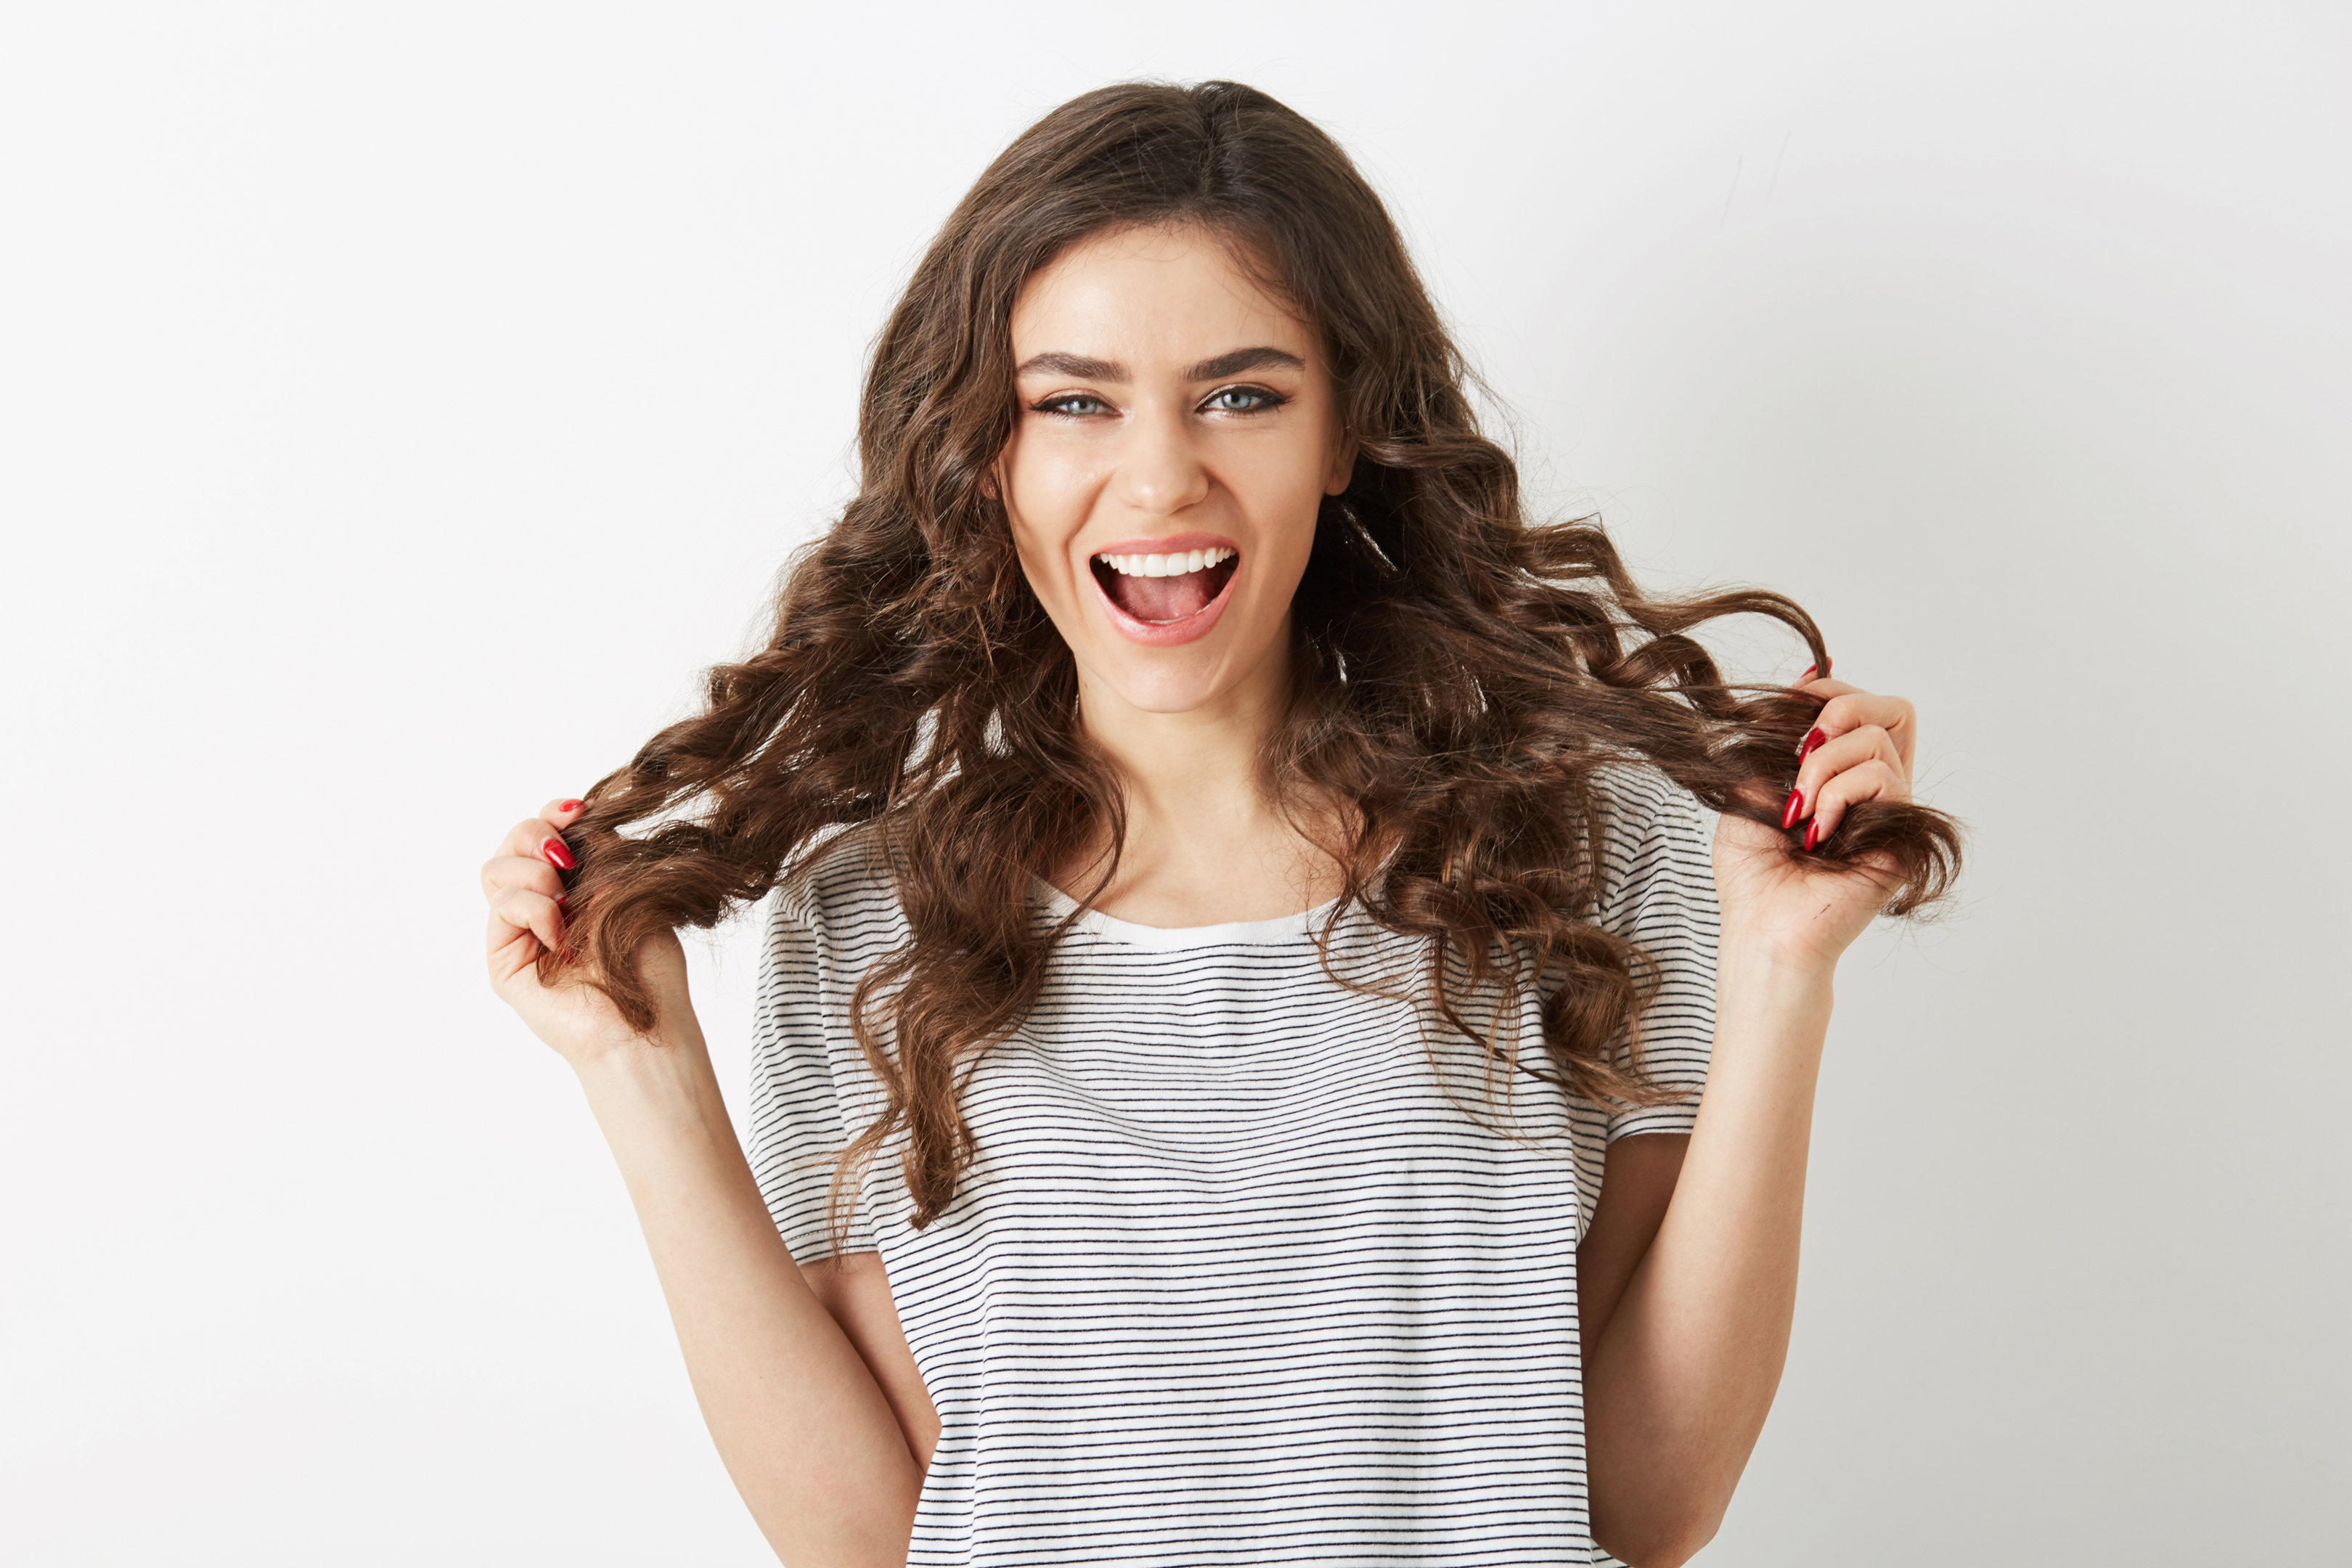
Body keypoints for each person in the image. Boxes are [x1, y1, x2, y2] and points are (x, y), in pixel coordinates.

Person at [478, 81, 1957, 1568]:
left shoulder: (1580, 858)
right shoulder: (871, 924)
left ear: (1343, 435)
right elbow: (874, 1542)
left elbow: (1650, 1505)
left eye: (1243, 394)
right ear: (990, 453)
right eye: (1075, 402)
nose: (1161, 474)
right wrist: (637, 1065)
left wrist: (1783, 971)